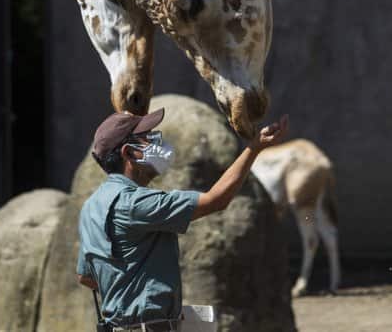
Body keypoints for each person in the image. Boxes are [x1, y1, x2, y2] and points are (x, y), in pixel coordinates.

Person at [76, 107, 289, 332]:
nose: (156, 143)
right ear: (129, 153)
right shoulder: (137, 203)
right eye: (147, 139)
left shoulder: (91, 207)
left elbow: (85, 276)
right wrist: (254, 148)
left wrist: (126, 288)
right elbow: (216, 200)